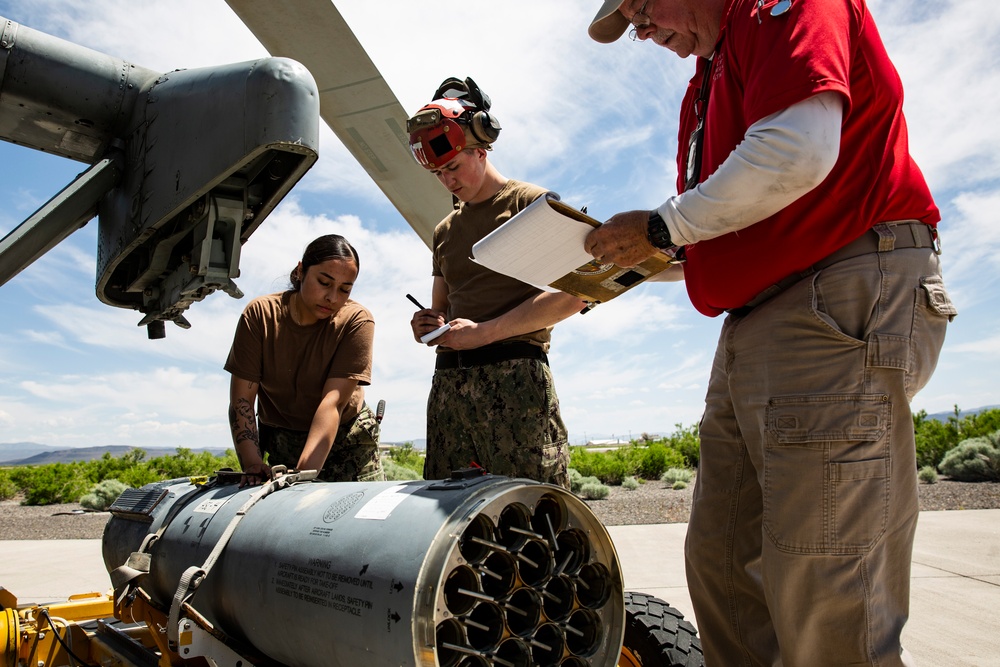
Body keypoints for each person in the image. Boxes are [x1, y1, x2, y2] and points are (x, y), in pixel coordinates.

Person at [586, 1, 956, 665]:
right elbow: (716, 229)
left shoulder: (775, 11)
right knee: (724, 563)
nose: (640, 29)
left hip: (829, 295)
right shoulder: (708, 82)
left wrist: (660, 227)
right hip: (756, 320)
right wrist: (631, 252)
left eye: (640, 5)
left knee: (825, 586)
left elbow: (797, 150)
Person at [406, 76, 586, 489]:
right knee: (451, 520)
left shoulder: (531, 203)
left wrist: (485, 333)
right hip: (450, 386)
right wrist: (429, 326)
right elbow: (444, 312)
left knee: (532, 512)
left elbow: (578, 292)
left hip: (516, 385)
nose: (448, 181)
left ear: (482, 149)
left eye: (453, 166)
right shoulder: (444, 231)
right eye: (437, 173)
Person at [225, 234, 385, 485]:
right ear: (301, 271)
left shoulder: (357, 321)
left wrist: (302, 478)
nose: (333, 298)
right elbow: (242, 399)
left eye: (345, 289)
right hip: (282, 443)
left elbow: (332, 402)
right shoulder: (260, 315)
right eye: (324, 282)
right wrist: (253, 464)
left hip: (347, 443)